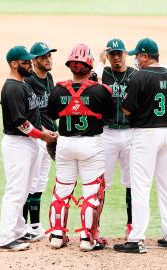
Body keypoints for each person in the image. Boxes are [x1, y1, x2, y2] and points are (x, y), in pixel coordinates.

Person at [113, 38, 167, 254]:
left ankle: (136, 239)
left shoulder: (139, 77)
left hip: (146, 135)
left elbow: (126, 109)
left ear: (145, 57)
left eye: (138, 56)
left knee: (141, 186)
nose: (136, 59)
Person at [46, 44, 115, 251]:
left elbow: (51, 114)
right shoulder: (100, 91)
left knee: (62, 190)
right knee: (92, 191)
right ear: (90, 65)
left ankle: (57, 236)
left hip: (65, 145)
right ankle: (87, 239)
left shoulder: (58, 89)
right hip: (91, 145)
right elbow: (110, 116)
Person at [0, 45, 57, 251]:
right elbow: (21, 123)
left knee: (24, 190)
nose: (30, 64)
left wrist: (44, 133)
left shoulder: (24, 85)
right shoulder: (12, 88)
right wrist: (43, 136)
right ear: (14, 64)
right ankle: (6, 237)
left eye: (30, 61)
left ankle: (20, 231)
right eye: (25, 62)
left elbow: (33, 117)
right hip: (17, 144)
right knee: (15, 190)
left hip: (29, 143)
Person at [95, 38, 137, 239]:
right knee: (102, 181)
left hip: (131, 133)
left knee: (132, 181)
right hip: (108, 134)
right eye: (112, 54)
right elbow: (90, 80)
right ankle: (95, 227)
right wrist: (100, 61)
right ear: (108, 56)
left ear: (125, 54)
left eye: (119, 53)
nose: (117, 58)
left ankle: (132, 225)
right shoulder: (104, 74)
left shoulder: (135, 75)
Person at [21, 42, 58, 240]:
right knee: (30, 182)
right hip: (37, 138)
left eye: (49, 56)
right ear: (34, 60)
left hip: (49, 138)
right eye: (43, 57)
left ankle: (35, 225)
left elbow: (49, 110)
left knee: (40, 182)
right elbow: (31, 113)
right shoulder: (29, 81)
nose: (48, 59)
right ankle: (23, 227)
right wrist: (44, 133)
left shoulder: (49, 78)